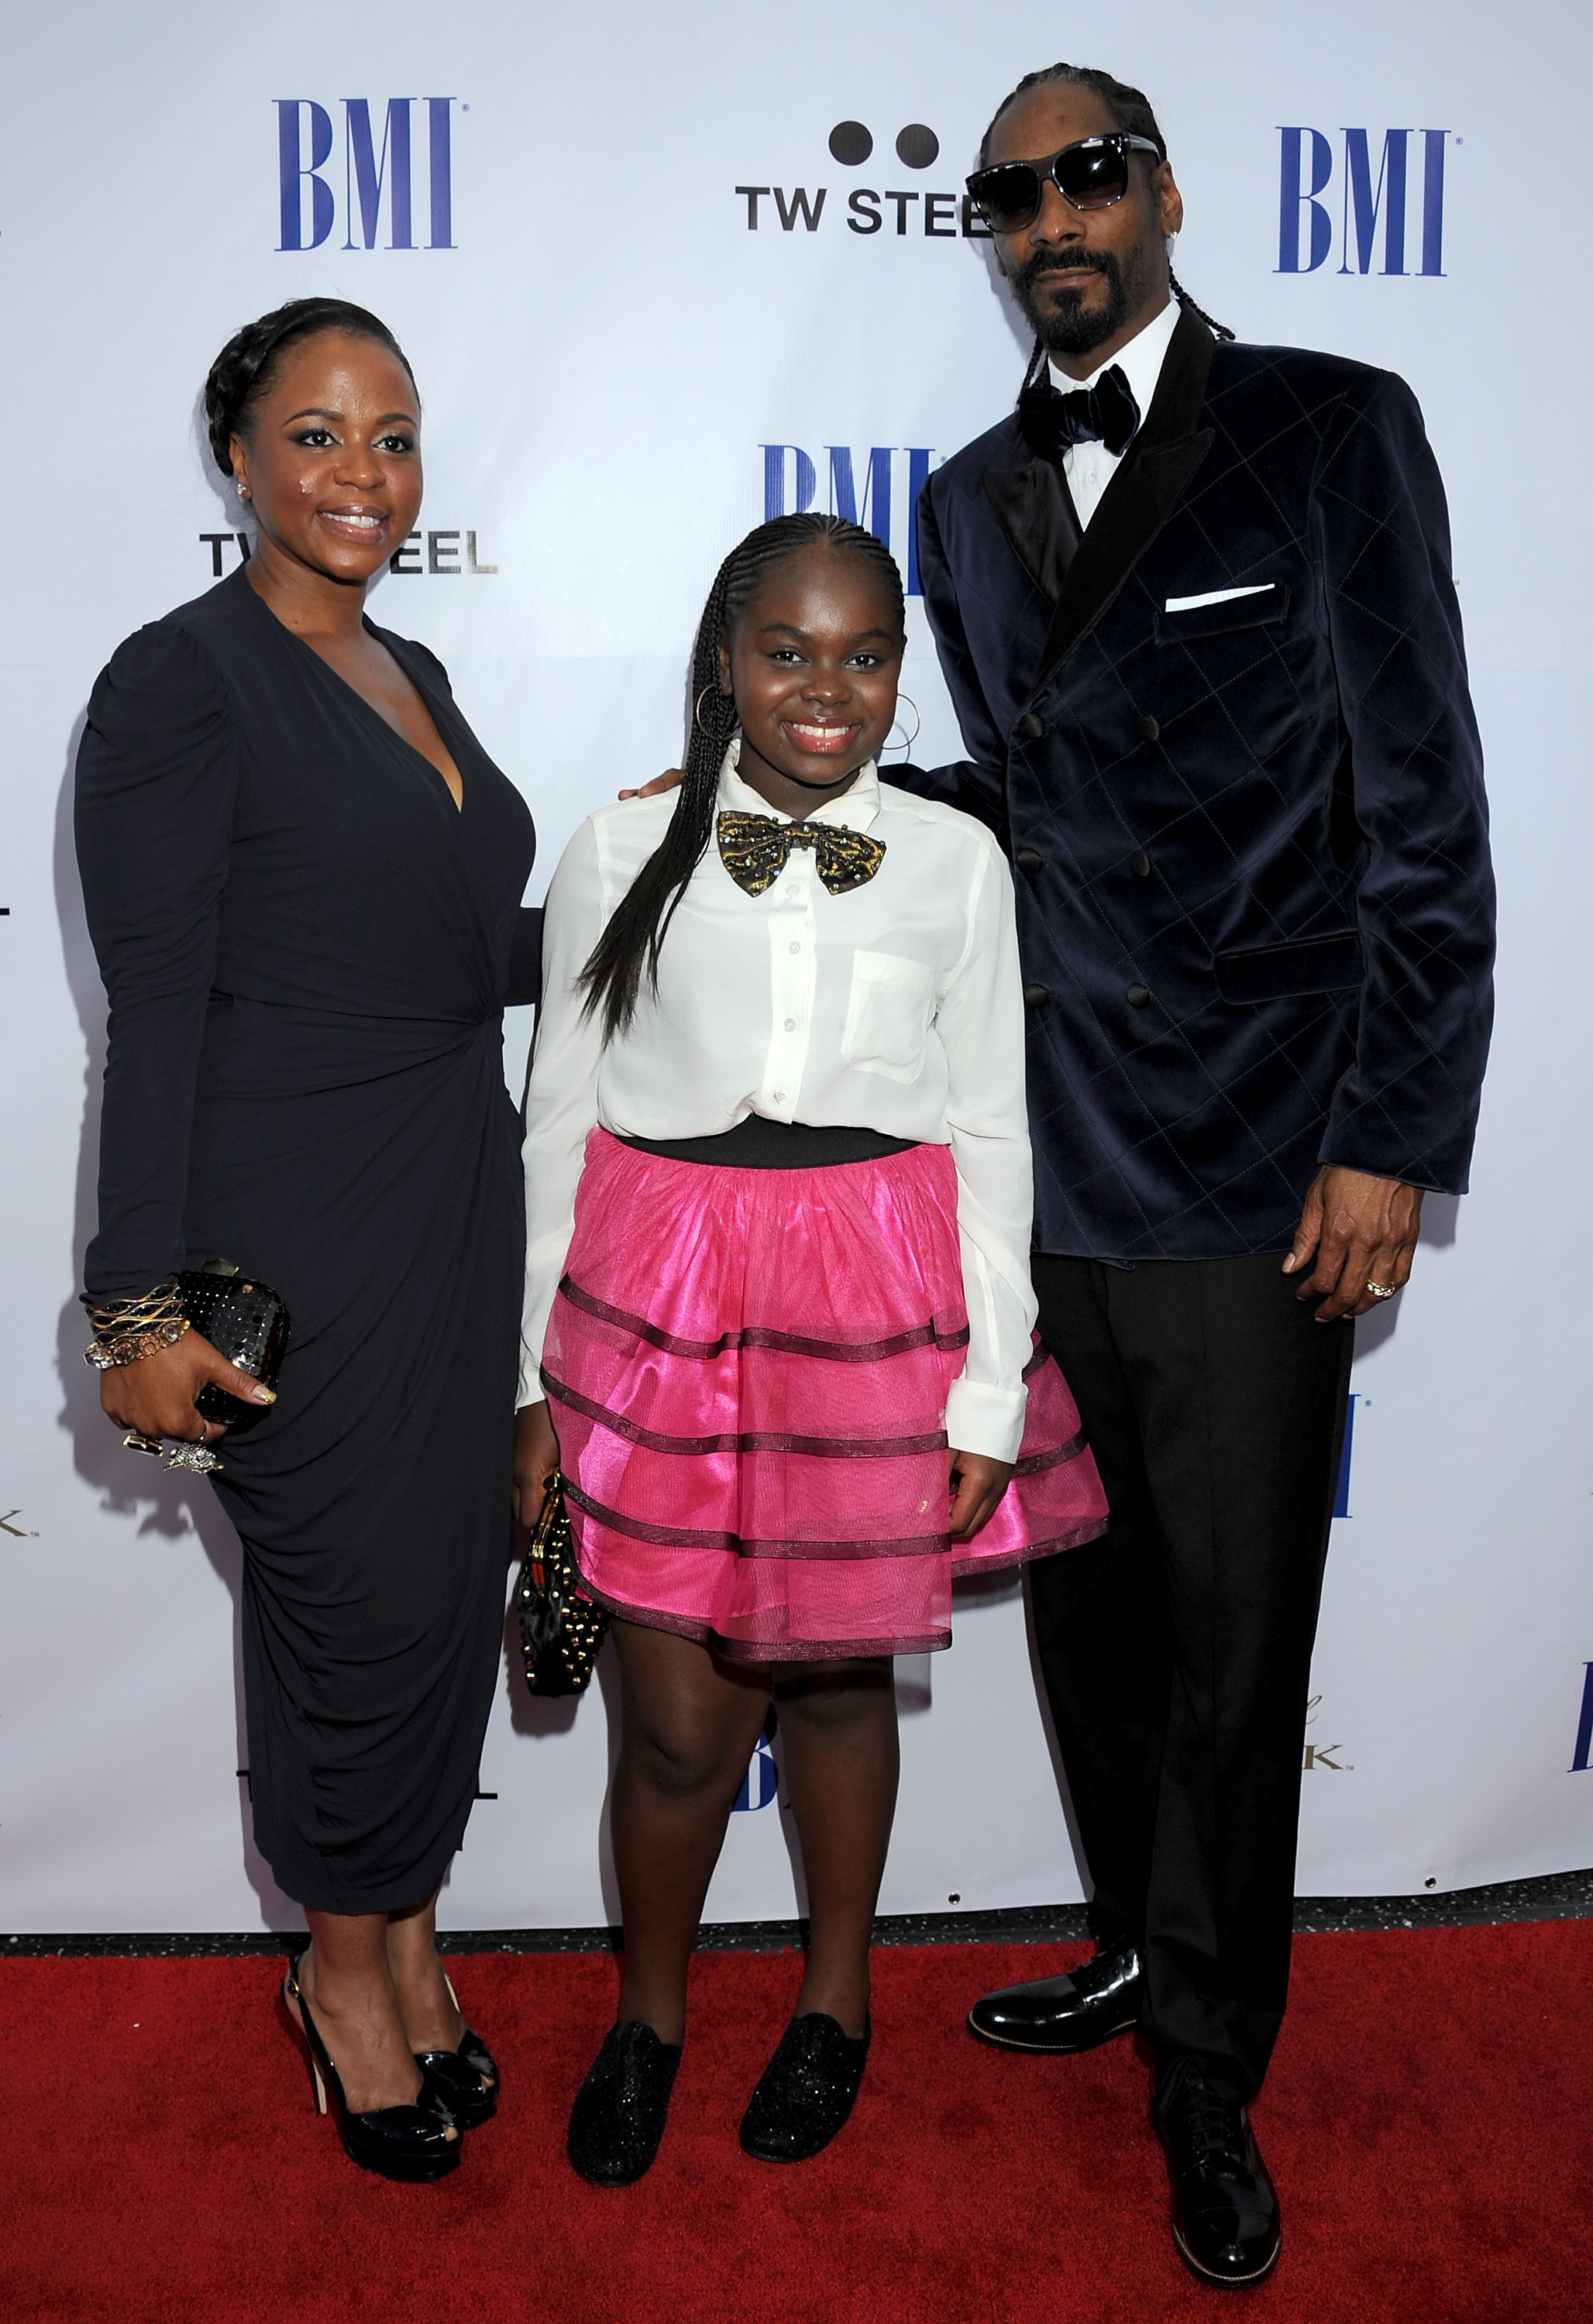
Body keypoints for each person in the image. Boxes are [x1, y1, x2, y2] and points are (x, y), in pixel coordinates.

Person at [903, 61, 1495, 2289]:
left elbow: (1424, 808)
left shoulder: (1334, 427)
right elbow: (1032, 797)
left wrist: (1393, 1135)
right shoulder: (964, 504)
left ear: (1159, 191)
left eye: (1085, 176)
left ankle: (1213, 2078)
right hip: (1048, 1167)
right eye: (1011, 195)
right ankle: (1149, 1956)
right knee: (1099, 1626)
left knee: (1246, 1648)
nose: (1050, 218)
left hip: (1265, 1172)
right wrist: (791, 797)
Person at [514, 513, 1106, 2186]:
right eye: (786, 652)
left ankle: (835, 2003)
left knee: (844, 1695)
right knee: (682, 1730)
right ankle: (648, 2016)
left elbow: (991, 1134)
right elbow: (557, 1119)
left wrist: (987, 1382)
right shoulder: (621, 844)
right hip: (659, 1306)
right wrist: (525, 1381)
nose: (823, 691)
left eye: (863, 658)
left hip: (875, 1310)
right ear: (724, 657)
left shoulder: (951, 861)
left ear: (899, 674)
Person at [76, 297, 541, 2182]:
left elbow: (446, 947)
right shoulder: (180, 679)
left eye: (396, 437)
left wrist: (652, 887)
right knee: (351, 1616)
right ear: (238, 455)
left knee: (443, 1599)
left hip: (451, 1186)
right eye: (320, 435)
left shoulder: (412, 659)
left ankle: (410, 1940)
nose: (364, 476)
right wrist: (133, 1298)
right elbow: (158, 1005)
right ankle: (339, 1982)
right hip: (296, 1221)